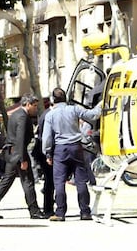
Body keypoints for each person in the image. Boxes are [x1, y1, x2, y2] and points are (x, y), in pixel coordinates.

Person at [42, 87, 101, 221]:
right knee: (81, 181)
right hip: (76, 147)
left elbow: (46, 138)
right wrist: (101, 105)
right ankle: (85, 212)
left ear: (53, 100)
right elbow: (93, 115)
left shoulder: (50, 115)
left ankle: (60, 213)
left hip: (60, 150)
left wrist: (48, 154)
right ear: (66, 98)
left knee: (59, 182)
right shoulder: (74, 109)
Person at [0, 93, 45, 219]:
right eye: (34, 106)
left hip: (13, 152)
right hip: (18, 153)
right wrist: (23, 159)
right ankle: (34, 210)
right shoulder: (23, 117)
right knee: (28, 182)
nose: (35, 108)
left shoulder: (16, 114)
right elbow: (20, 138)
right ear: (27, 104)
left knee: (7, 181)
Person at [31, 104, 55, 218]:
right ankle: (48, 208)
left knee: (50, 180)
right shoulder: (48, 115)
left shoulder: (45, 114)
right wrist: (48, 153)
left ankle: (48, 206)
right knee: (50, 180)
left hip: (42, 150)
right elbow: (47, 136)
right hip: (43, 151)